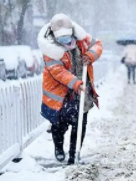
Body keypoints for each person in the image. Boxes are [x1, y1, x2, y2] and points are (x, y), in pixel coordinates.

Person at [38, 13, 103, 164]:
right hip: (61, 95)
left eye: (67, 36)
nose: (65, 40)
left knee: (79, 123)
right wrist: (75, 83)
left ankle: (74, 154)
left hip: (81, 93)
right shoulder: (50, 48)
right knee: (59, 126)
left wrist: (90, 55)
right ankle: (59, 148)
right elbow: (58, 71)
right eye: (61, 37)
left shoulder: (81, 39)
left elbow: (97, 45)